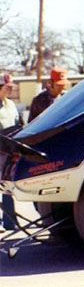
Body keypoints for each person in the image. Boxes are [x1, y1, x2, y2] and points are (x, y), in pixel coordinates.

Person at [0, 74, 20, 232]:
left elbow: (18, 123)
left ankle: (9, 220)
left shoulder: (11, 104)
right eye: (7, 87)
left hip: (9, 151)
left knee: (7, 187)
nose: (11, 89)